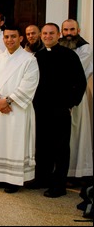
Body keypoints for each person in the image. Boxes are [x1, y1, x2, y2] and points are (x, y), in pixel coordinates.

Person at [29, 23, 86, 198]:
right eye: (44, 33)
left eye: (51, 33)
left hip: (60, 109)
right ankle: (42, 178)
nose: (47, 36)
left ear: (58, 34)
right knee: (42, 145)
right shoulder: (37, 56)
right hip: (40, 108)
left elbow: (81, 82)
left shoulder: (69, 56)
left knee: (60, 148)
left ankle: (59, 185)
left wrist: (71, 104)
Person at [0, 25, 39, 193]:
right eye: (6, 37)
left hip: (17, 110)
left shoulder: (29, 60)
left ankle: (14, 180)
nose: (9, 40)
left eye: (13, 36)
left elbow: (29, 84)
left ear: (21, 38)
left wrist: (8, 101)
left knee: (15, 142)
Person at [59, 19, 93, 180]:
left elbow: (75, 73)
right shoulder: (58, 46)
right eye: (66, 30)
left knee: (76, 133)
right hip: (57, 97)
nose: (69, 33)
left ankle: (75, 172)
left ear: (78, 30)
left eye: (72, 29)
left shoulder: (85, 48)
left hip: (75, 96)